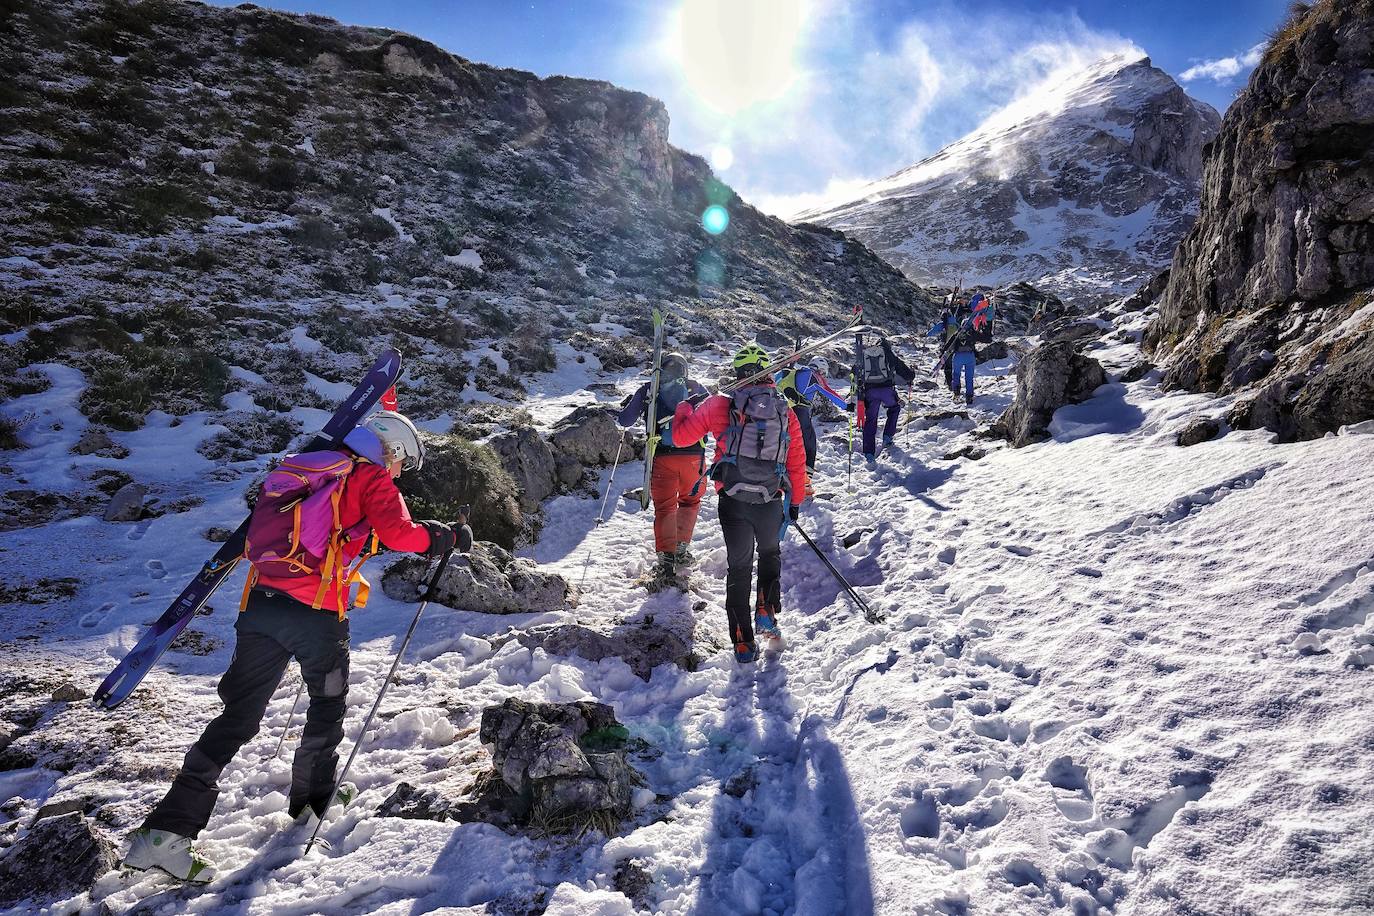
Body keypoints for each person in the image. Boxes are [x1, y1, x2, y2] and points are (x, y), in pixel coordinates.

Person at [122, 410, 468, 882]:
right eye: (402, 461)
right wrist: (443, 536)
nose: (400, 471)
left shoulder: (310, 467)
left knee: (237, 717)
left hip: (261, 605)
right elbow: (400, 535)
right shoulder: (369, 476)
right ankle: (313, 801)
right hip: (315, 616)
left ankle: (165, 833)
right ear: (389, 449)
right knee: (327, 705)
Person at [666, 343, 808, 664]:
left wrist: (686, 408)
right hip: (771, 500)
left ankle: (743, 643)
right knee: (770, 554)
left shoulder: (719, 405)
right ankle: (766, 610)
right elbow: (797, 463)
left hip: (733, 500)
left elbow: (681, 438)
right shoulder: (785, 412)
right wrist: (794, 502)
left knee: (739, 568)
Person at [617, 353, 710, 583]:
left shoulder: (650, 389)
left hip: (662, 457)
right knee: (690, 501)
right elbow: (716, 414)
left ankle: (666, 560)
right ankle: (680, 549)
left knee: (665, 508)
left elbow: (625, 420)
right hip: (693, 457)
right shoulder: (696, 387)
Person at [774, 359, 847, 474]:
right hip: (800, 410)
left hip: (782, 408)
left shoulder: (795, 372)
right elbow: (828, 392)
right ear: (820, 369)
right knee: (809, 440)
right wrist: (847, 406)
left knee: (788, 439)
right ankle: (807, 471)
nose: (824, 376)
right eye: (824, 373)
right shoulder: (813, 376)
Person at [853, 334, 915, 463]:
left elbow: (854, 371)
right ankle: (887, 436)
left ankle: (869, 453)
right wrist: (911, 376)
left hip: (870, 392)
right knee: (894, 408)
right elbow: (904, 372)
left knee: (871, 420)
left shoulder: (866, 354)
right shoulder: (888, 353)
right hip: (887, 391)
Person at [946, 294, 995, 405]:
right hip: (970, 357)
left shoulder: (957, 333)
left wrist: (943, 353)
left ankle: (956, 393)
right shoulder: (973, 333)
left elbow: (949, 345)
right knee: (969, 377)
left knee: (956, 375)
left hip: (957, 356)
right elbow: (986, 340)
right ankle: (969, 397)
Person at [926, 304, 958, 394]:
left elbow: (931, 332)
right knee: (954, 367)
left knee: (947, 367)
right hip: (956, 348)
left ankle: (949, 383)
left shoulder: (943, 324)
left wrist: (926, 334)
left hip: (946, 348)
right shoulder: (956, 323)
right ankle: (955, 383)